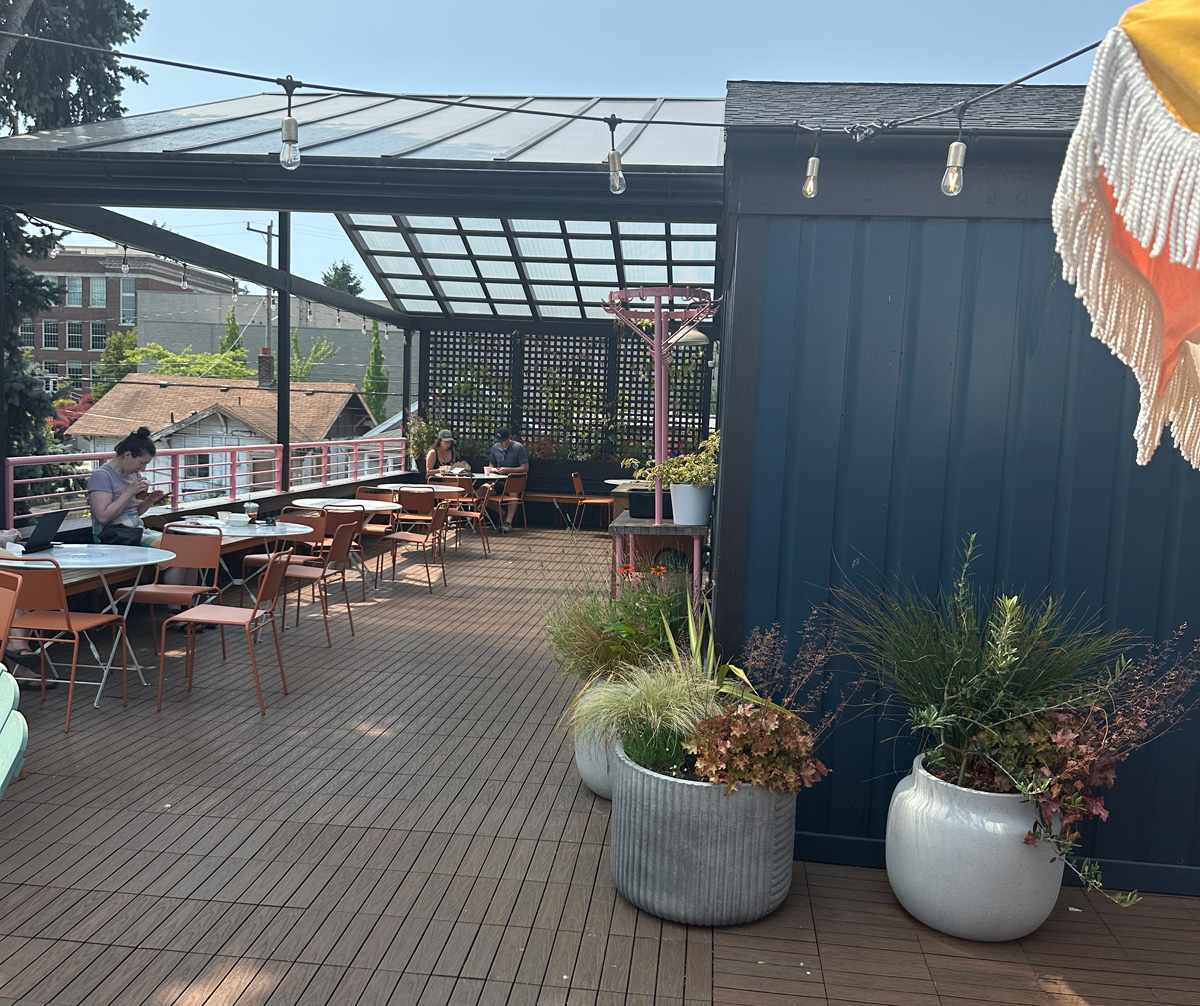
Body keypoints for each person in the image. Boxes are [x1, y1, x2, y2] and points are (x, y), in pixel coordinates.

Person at [88, 427, 167, 544]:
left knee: (175, 541)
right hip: (112, 534)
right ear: (128, 455)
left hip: (135, 531)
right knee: (169, 546)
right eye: (142, 463)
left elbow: (135, 512)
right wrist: (129, 492)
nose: (143, 469)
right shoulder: (102, 476)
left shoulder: (134, 475)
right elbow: (103, 517)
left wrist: (150, 500)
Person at [486, 428, 528, 532]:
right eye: (499, 441)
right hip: (498, 480)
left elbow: (525, 468)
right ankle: (503, 513)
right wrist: (493, 469)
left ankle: (508, 522)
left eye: (503, 441)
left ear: (509, 437)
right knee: (482, 493)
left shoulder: (518, 447)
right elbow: (491, 464)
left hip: (515, 479)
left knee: (512, 492)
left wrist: (508, 470)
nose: (501, 444)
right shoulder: (495, 448)